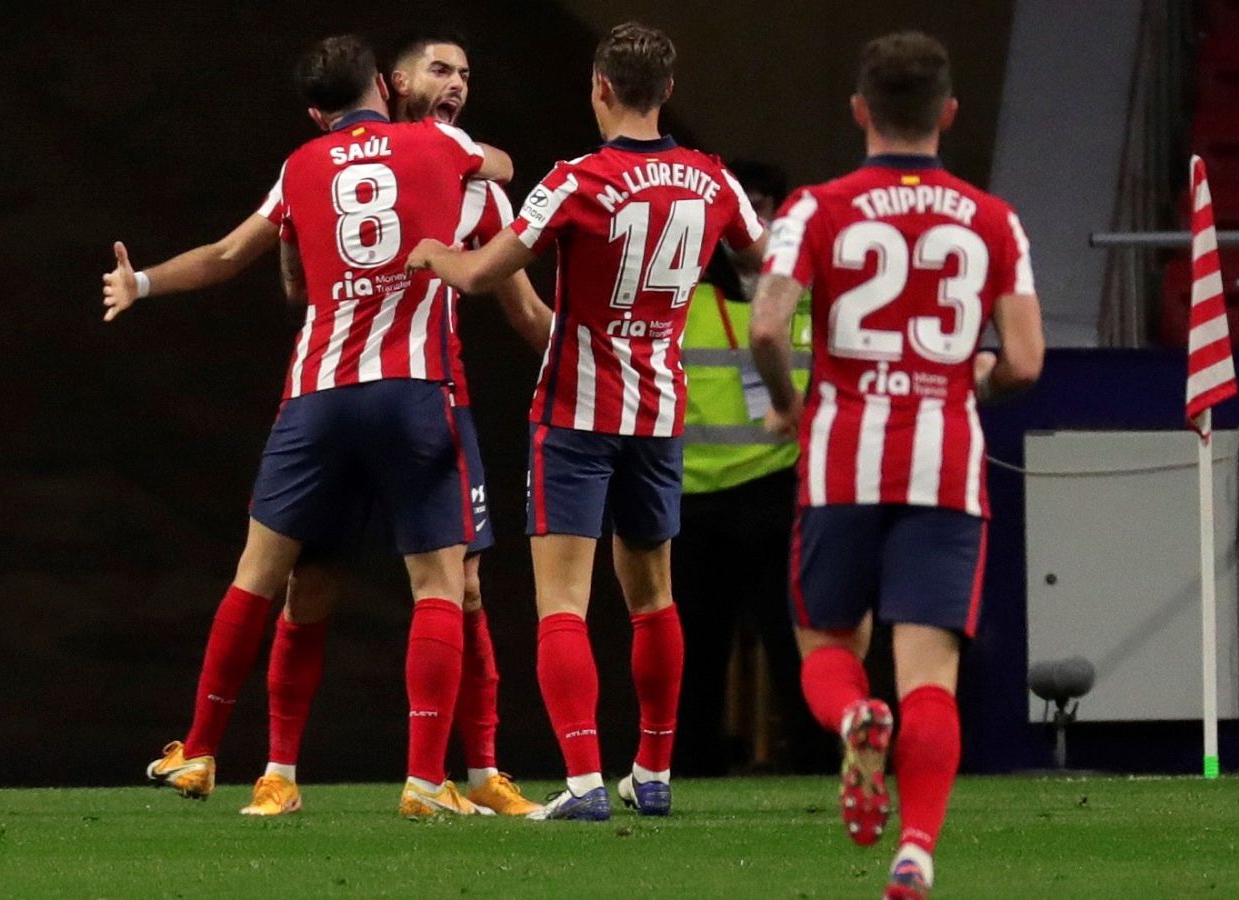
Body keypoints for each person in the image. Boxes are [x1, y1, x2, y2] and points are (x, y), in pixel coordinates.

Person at [116, 33, 515, 818]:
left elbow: (230, 255)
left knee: (260, 574)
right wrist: (472, 154)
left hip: (318, 395)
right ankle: (425, 781)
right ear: (383, 82)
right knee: (439, 584)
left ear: (312, 110)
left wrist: (144, 281)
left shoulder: (300, 166)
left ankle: (199, 749)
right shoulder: (439, 145)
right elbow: (498, 169)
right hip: (411, 389)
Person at [408, 21, 767, 822]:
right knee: (654, 599)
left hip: (575, 414)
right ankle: (654, 771)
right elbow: (766, 260)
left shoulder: (576, 181)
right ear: (666, 92)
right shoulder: (712, 181)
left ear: (600, 88)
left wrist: (434, 252)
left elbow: (477, 272)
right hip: (659, 413)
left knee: (563, 604)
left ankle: (582, 782)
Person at [749, 31, 1044, 899]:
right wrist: (969, 377)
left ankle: (852, 717)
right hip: (944, 464)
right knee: (931, 676)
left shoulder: (815, 208)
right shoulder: (994, 219)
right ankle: (916, 849)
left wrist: (794, 401)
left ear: (859, 112)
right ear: (948, 115)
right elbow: (1024, 361)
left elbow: (768, 325)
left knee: (826, 646)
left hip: (843, 456)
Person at [671, 160, 817, 777]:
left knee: (796, 642)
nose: (754, 223)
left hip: (779, 492)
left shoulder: (808, 298)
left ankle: (816, 759)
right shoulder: (681, 296)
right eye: (743, 209)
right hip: (693, 500)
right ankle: (687, 768)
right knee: (695, 652)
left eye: (765, 207)